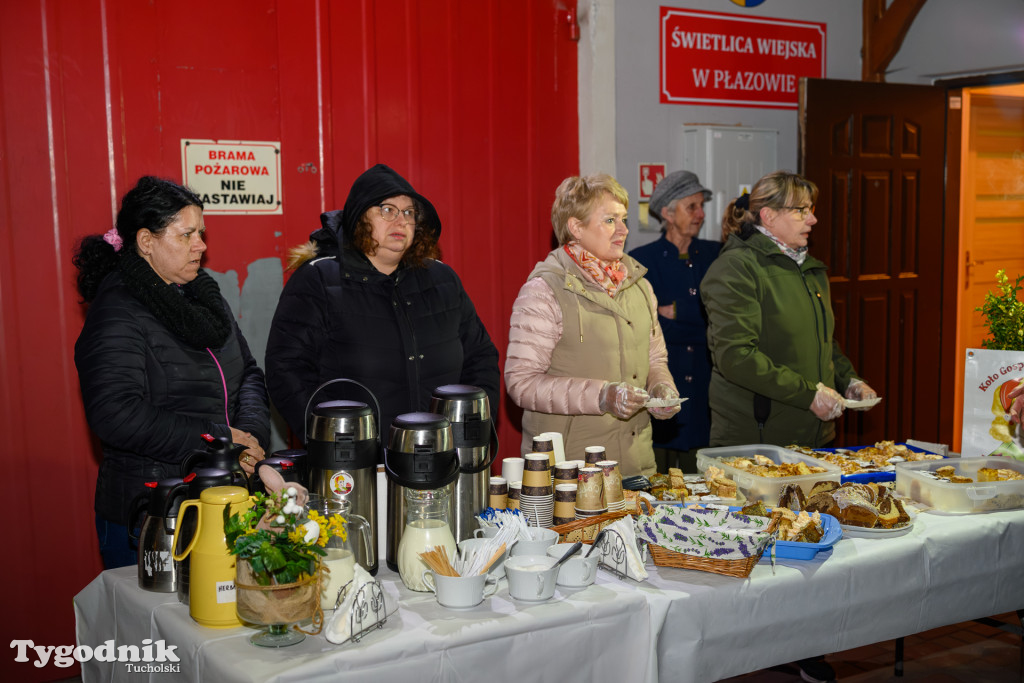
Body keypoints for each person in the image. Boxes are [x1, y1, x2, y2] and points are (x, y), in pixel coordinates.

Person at [704, 172, 880, 683]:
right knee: (757, 555)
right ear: (768, 216)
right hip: (757, 438)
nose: (813, 219)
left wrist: (847, 380)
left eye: (810, 209)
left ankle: (803, 645)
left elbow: (824, 346)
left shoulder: (809, 269)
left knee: (806, 550)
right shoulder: (736, 268)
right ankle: (739, 650)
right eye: (801, 210)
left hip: (811, 435)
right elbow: (736, 356)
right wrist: (808, 393)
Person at [73, 176, 270, 569]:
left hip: (224, 494)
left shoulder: (203, 297)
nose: (201, 245)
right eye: (187, 235)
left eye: (201, 233)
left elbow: (247, 372)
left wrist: (248, 438)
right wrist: (220, 440)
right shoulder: (118, 309)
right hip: (153, 514)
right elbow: (115, 413)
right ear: (146, 241)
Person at [265, 164, 499, 444]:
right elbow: (286, 370)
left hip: (441, 455)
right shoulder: (318, 281)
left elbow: (481, 359)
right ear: (360, 217)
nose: (401, 221)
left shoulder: (443, 280)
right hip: (356, 461)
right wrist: (332, 442)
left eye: (409, 213)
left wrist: (471, 433)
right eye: (388, 210)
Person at [504, 173, 680, 477]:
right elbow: (521, 383)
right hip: (571, 473)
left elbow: (655, 358)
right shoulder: (544, 291)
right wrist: (602, 396)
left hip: (637, 465)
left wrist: (661, 388)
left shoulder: (640, 286)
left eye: (623, 219)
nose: (624, 230)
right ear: (576, 227)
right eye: (610, 220)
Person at [629, 170, 720, 473]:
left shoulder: (714, 256)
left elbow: (720, 322)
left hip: (706, 395)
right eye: (691, 206)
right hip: (661, 392)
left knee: (706, 485)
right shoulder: (641, 261)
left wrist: (677, 311)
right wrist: (700, 322)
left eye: (701, 206)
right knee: (657, 484)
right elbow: (646, 329)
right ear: (668, 213)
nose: (700, 214)